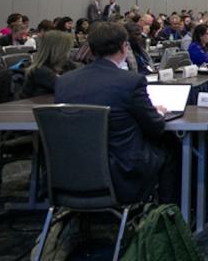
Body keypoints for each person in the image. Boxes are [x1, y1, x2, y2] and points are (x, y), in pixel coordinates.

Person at [54, 22, 174, 202]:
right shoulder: (131, 82)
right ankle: (166, 215)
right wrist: (159, 113)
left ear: (92, 49)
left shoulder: (64, 82)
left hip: (69, 170)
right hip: (121, 173)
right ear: (124, 48)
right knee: (172, 148)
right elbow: (155, 127)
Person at [22, 30, 78, 98]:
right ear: (59, 50)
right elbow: (68, 88)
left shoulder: (67, 64)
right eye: (68, 49)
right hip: (35, 106)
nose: (70, 51)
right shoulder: (39, 70)